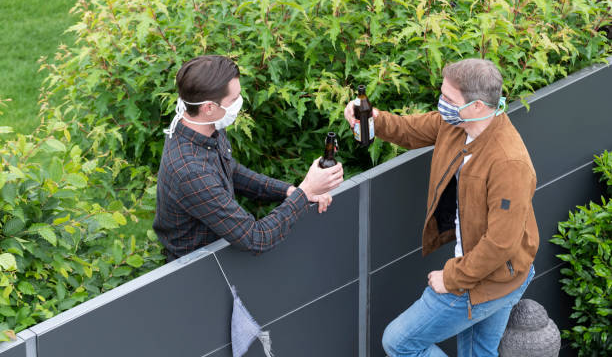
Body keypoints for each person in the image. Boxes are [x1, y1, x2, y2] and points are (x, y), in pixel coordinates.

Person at [344, 59, 539, 356]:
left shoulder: (509, 163)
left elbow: (501, 244)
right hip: (495, 273)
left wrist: (450, 278)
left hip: (490, 278)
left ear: (477, 106)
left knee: (400, 342)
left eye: (448, 98)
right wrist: (371, 118)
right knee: (479, 352)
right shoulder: (457, 124)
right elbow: (409, 129)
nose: (441, 103)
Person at [154, 55, 343, 262]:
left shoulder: (206, 127)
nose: (239, 104)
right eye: (234, 100)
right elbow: (256, 238)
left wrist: (290, 191)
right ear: (208, 107)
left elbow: (231, 171)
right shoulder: (191, 171)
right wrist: (306, 191)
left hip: (222, 249)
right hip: (200, 268)